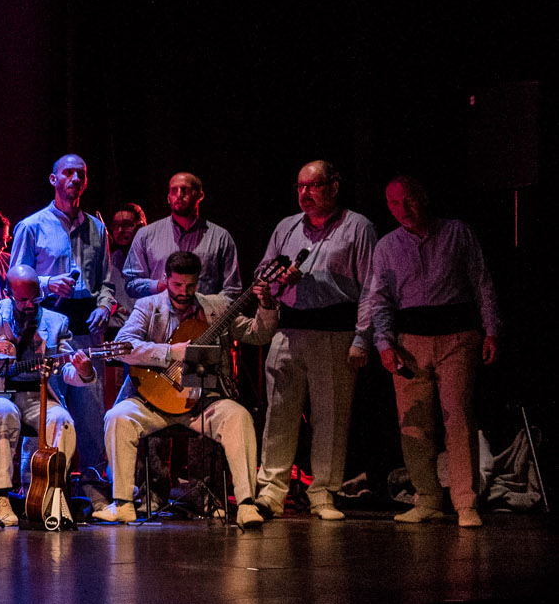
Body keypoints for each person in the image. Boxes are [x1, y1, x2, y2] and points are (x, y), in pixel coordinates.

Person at [361, 176, 501, 527]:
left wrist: (492, 330)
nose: (403, 209)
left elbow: (482, 283)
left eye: (408, 200)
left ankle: (465, 502)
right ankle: (428, 497)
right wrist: (384, 344)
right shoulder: (387, 246)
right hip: (410, 343)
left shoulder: (457, 232)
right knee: (414, 425)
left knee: (458, 418)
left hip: (457, 338)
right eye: (393, 204)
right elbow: (379, 300)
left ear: (424, 197)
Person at [96, 250, 274, 526]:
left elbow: (258, 334)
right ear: (166, 279)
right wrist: (171, 352)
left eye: (190, 286)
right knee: (117, 417)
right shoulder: (148, 306)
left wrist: (267, 305)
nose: (184, 292)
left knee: (240, 417)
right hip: (154, 401)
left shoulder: (215, 307)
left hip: (202, 402)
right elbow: (124, 346)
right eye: (177, 285)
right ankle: (123, 503)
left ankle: (247, 505)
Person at [250, 162, 375, 520]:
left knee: (331, 415)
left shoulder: (358, 227)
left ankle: (323, 492)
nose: (305, 194)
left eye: (314, 186)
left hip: (335, 331)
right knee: (279, 414)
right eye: (300, 186)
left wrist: (363, 338)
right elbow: (263, 273)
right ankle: (272, 491)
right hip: (288, 329)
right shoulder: (286, 227)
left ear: (334, 186)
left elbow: (371, 289)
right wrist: (274, 280)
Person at [10, 155, 122, 483]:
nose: (74, 178)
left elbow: (107, 280)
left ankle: (91, 482)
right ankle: (40, 483)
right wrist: (46, 283)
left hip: (87, 325)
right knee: (49, 404)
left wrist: (105, 305)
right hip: (45, 326)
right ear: (53, 179)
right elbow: (14, 279)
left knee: (89, 407)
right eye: (67, 173)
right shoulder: (31, 226)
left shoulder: (97, 228)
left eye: (81, 174)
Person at [0, 270, 97, 528]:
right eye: (22, 300)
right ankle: (0, 496)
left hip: (38, 393)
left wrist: (84, 371)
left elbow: (65, 369)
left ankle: (49, 495)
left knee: (62, 421)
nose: (29, 305)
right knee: (3, 412)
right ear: (8, 294)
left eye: (34, 299)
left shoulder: (56, 322)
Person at [123, 172, 242, 300]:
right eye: (174, 190)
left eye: (185, 190)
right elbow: (131, 283)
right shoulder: (145, 235)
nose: (179, 195)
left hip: (204, 318)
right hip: (160, 317)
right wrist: (159, 285)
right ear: (168, 197)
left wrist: (209, 310)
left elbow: (232, 290)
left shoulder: (220, 237)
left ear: (200, 195)